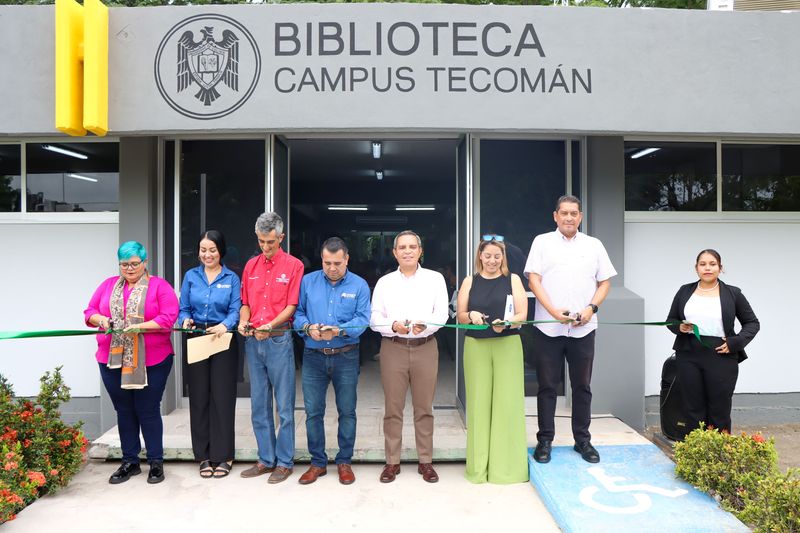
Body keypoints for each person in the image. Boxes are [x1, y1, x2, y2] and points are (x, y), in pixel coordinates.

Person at [525, 195, 617, 465]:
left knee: (582, 386)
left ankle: (583, 440)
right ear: (555, 216)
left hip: (583, 329)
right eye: (563, 213)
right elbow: (533, 280)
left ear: (580, 216)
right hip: (549, 329)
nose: (568, 218)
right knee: (547, 387)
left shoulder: (594, 245)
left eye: (573, 213)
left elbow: (604, 283)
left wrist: (591, 309)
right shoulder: (541, 242)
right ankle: (544, 440)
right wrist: (553, 312)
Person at [84, 241, 179, 485]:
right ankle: (130, 461)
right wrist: (102, 320)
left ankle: (155, 462)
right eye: (124, 264)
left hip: (153, 360)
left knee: (147, 410)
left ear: (145, 263)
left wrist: (139, 327)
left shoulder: (159, 286)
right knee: (124, 410)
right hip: (111, 360)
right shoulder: (108, 285)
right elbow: (89, 311)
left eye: (135, 263)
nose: (129, 268)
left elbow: (169, 317)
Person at [370, 230, 449, 483]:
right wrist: (392, 326)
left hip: (425, 346)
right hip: (393, 347)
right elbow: (374, 318)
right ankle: (392, 462)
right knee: (393, 408)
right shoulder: (385, 283)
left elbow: (442, 314)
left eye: (412, 246)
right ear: (394, 253)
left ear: (420, 250)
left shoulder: (435, 279)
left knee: (424, 408)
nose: (407, 251)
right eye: (402, 247)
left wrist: (426, 325)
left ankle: (425, 461)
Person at [294, 237, 371, 485]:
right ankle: (317, 463)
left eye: (337, 263)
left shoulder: (359, 285)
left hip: (346, 356)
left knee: (347, 411)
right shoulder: (308, 281)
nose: (332, 268)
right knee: (313, 412)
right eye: (327, 262)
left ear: (347, 259)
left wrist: (338, 330)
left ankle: (344, 461)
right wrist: (307, 327)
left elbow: (362, 320)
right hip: (314, 356)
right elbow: (298, 313)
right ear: (322, 259)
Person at [237, 212, 304, 484]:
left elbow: (291, 306)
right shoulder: (250, 266)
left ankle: (285, 461)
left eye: (271, 242)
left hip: (278, 338)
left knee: (284, 406)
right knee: (259, 404)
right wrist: (243, 321)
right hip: (253, 341)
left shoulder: (294, 265)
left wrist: (270, 325)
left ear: (281, 238)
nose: (266, 247)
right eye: (262, 241)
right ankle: (266, 458)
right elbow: (245, 302)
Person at [457, 235, 529, 484]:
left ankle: (506, 469)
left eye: (497, 256)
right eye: (487, 255)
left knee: (507, 405)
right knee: (478, 405)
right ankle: (478, 468)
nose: (492, 260)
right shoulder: (469, 281)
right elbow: (461, 316)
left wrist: (507, 323)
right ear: (480, 256)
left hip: (507, 345)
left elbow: (522, 314)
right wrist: (472, 314)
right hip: (476, 346)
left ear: (503, 258)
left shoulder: (514, 279)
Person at [666, 249, 759, 434]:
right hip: (688, 354)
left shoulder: (733, 293)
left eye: (712, 264)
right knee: (692, 408)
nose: (707, 268)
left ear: (720, 268)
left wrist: (735, 342)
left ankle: (719, 458)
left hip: (721, 355)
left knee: (719, 409)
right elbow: (671, 320)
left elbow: (752, 323)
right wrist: (680, 327)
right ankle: (695, 455)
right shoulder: (685, 291)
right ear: (696, 268)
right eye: (702, 264)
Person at [178, 230, 241, 479]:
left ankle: (224, 455)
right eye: (203, 250)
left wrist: (225, 324)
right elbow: (183, 308)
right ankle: (203, 456)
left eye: (212, 250)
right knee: (199, 398)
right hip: (197, 339)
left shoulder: (231, 278)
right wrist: (185, 320)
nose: (207, 254)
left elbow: (236, 309)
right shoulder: (191, 276)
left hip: (223, 339)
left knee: (223, 398)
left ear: (221, 251)